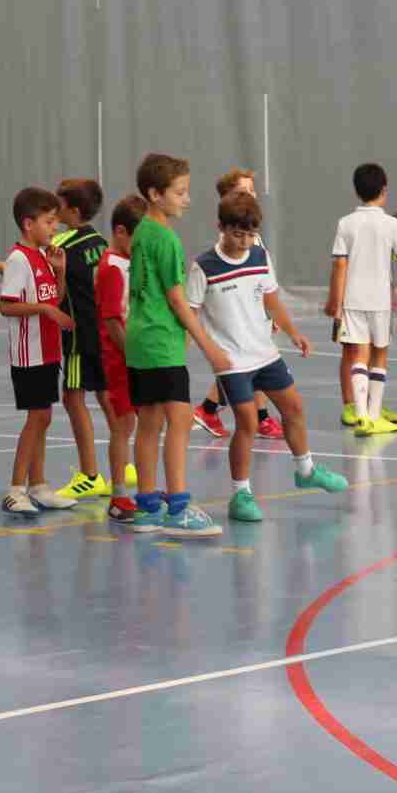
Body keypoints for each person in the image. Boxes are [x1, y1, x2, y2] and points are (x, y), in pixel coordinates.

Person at [187, 191, 348, 524]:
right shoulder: (203, 267)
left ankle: (306, 470)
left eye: (249, 234)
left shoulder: (260, 255)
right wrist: (207, 351)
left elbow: (272, 300)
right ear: (221, 227)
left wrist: (294, 332)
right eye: (237, 233)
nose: (244, 241)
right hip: (231, 363)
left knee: (294, 408)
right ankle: (241, 494)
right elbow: (190, 314)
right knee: (247, 423)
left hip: (265, 353)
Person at [113, 152, 231, 536]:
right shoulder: (166, 240)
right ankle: (178, 506)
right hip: (162, 341)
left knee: (149, 424)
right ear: (155, 193)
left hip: (139, 340)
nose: (187, 199)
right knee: (179, 420)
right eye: (180, 192)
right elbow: (178, 300)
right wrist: (209, 347)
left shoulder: (142, 231)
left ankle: (147, 507)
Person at [0, 187, 78, 514]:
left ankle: (39, 485)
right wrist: (45, 312)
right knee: (38, 417)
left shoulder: (44, 258)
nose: (55, 228)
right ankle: (15, 489)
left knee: (43, 418)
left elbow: (53, 300)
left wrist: (59, 274)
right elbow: (7, 306)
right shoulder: (18, 259)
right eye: (49, 222)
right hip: (28, 353)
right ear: (28, 224)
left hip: (48, 351)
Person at [194, 168, 284, 442]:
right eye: (244, 191)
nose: (252, 195)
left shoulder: (252, 236)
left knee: (254, 362)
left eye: (253, 191)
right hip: (237, 322)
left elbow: (262, 282)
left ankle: (213, 410)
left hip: (256, 314)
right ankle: (260, 418)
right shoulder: (229, 245)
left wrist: (272, 311)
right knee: (247, 364)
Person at [326, 162, 397, 438]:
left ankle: (362, 417)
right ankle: (374, 416)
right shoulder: (393, 224)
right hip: (380, 301)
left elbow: (340, 266)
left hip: (353, 299)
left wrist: (336, 303)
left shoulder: (345, 223)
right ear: (384, 189)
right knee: (380, 356)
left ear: (357, 191)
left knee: (358, 356)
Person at [50, 177, 112, 501]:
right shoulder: (103, 243)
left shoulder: (61, 244)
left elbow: (34, 271)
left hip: (79, 336)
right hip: (105, 334)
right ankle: (124, 469)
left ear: (72, 209)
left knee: (73, 398)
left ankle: (89, 475)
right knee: (107, 398)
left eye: (58, 203)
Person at [97, 195, 147, 504]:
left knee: (148, 421)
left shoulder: (130, 262)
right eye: (137, 240)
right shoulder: (111, 268)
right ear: (120, 232)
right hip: (120, 359)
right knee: (123, 424)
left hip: (139, 355)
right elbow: (112, 320)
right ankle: (119, 495)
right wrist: (132, 355)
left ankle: (147, 489)